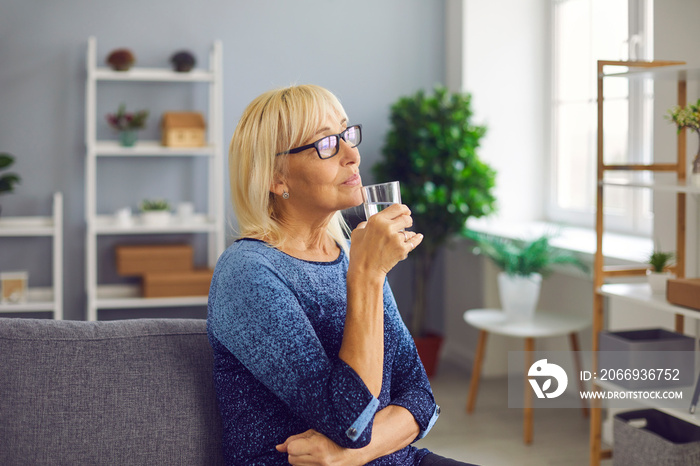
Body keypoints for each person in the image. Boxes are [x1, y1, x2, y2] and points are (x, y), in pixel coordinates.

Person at [207, 84, 476, 465]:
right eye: (326, 144)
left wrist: (345, 457)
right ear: (276, 178)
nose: (353, 155)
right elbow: (349, 422)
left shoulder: (352, 255)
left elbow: (420, 398)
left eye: (346, 134)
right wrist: (367, 276)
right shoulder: (248, 272)